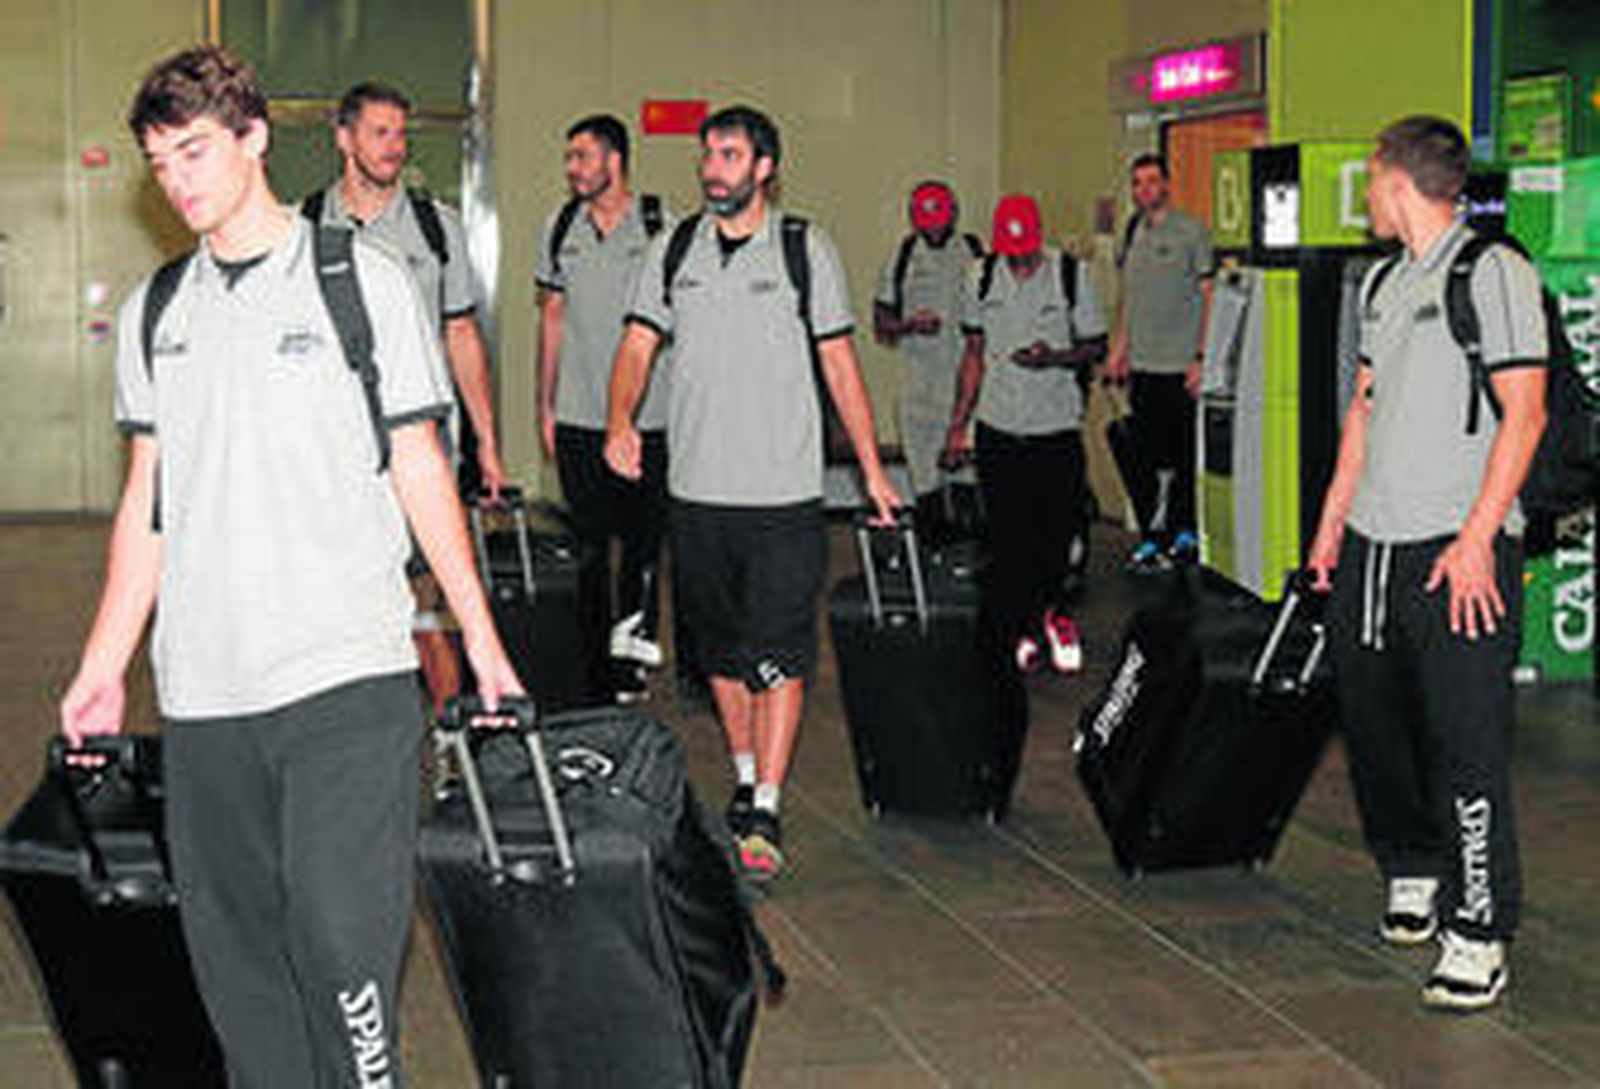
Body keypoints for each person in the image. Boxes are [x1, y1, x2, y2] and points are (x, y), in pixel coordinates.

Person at [57, 46, 522, 1084]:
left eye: (194, 152)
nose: (177, 182)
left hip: (344, 682)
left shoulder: (361, 282)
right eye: (158, 162)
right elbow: (149, 503)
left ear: (255, 136)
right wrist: (103, 663)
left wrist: (479, 637)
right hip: (205, 693)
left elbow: (417, 466)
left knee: (338, 948)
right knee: (240, 974)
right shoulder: (157, 312)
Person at [605, 105, 899, 884]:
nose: (712, 168)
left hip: (784, 496)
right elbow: (637, 344)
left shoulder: (806, 250)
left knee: (778, 651)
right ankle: (743, 773)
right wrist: (618, 419)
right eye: (708, 154)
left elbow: (839, 364)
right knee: (723, 657)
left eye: (729, 155)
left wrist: (870, 467)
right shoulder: (675, 250)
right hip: (697, 493)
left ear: (764, 167)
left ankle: (766, 800)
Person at [1308, 115, 1547, 1012]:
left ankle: (1480, 928)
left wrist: (1481, 535)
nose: (1365, 194)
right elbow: (1364, 414)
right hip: (1372, 544)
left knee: (1467, 741)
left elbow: (1523, 413)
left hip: (1457, 550)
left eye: (1371, 178)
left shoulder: (1495, 271)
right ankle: (1411, 867)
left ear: (1400, 181)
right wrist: (1332, 526)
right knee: (1373, 724)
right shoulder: (1382, 280)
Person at [304, 81, 508, 713]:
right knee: (337, 605)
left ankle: (450, 742)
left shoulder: (435, 227)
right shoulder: (302, 229)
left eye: (400, 133)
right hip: (331, 457)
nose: (394, 147)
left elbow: (463, 337)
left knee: (427, 606)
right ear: (344, 138)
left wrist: (488, 448)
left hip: (422, 454)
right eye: (379, 133)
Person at [536, 114, 673, 704]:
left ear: (614, 161)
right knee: (590, 548)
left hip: (652, 420)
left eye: (581, 157)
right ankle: (595, 665)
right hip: (578, 418)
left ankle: (632, 658)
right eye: (568, 157)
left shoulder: (661, 225)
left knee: (642, 547)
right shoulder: (561, 224)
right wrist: (545, 402)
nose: (571, 168)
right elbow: (553, 317)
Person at [943, 194, 1106, 675]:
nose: (1017, 258)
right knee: (1007, 540)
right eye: (1010, 250)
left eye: (1025, 249)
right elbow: (973, 353)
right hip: (999, 430)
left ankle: (1053, 614)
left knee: (1054, 539)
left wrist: (1054, 356)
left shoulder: (1072, 275)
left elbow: (1094, 344)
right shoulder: (982, 276)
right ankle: (1021, 631)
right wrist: (958, 425)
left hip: (1054, 431)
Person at [1105, 152, 1214, 571]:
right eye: (1137, 183)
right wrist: (1119, 350)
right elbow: (1130, 299)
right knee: (1146, 457)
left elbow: (1209, 295)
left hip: (1180, 364)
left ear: (1166, 185)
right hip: (1144, 366)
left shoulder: (1191, 232)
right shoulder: (1132, 233)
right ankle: (1154, 537)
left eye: (1152, 181)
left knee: (1184, 456)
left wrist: (1201, 357)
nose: (1144, 190)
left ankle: (1185, 533)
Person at [872, 181, 984, 531]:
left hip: (966, 388)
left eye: (940, 216)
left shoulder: (974, 253)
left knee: (968, 478)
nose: (933, 225)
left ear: (953, 214)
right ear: (914, 219)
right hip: (918, 390)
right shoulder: (902, 257)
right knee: (926, 482)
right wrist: (908, 325)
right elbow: (881, 322)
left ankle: (972, 557)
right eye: (925, 218)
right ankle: (933, 553)